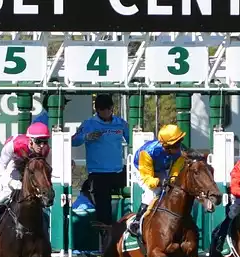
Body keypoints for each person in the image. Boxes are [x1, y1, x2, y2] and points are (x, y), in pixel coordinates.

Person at [0, 122, 52, 239]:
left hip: (31, 167)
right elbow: (0, 165)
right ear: (30, 140)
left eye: (45, 141)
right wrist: (10, 182)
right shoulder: (15, 145)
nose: (42, 146)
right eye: (39, 141)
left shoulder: (46, 150)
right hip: (14, 164)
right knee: (7, 193)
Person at [72, 94, 130, 226]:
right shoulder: (89, 124)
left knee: (139, 182)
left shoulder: (120, 124)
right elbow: (73, 141)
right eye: (101, 110)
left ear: (112, 108)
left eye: (107, 109)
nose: (105, 112)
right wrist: (86, 136)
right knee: (103, 207)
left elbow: (132, 140)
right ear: (97, 110)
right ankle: (106, 233)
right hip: (98, 173)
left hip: (118, 171)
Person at [126, 124, 187, 237]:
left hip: (161, 168)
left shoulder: (179, 151)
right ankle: (137, 221)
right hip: (142, 169)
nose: (179, 147)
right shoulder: (148, 152)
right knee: (153, 192)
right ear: (166, 146)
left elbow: (176, 169)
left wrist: (172, 179)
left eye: (180, 142)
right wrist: (158, 182)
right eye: (176, 144)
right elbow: (148, 179)